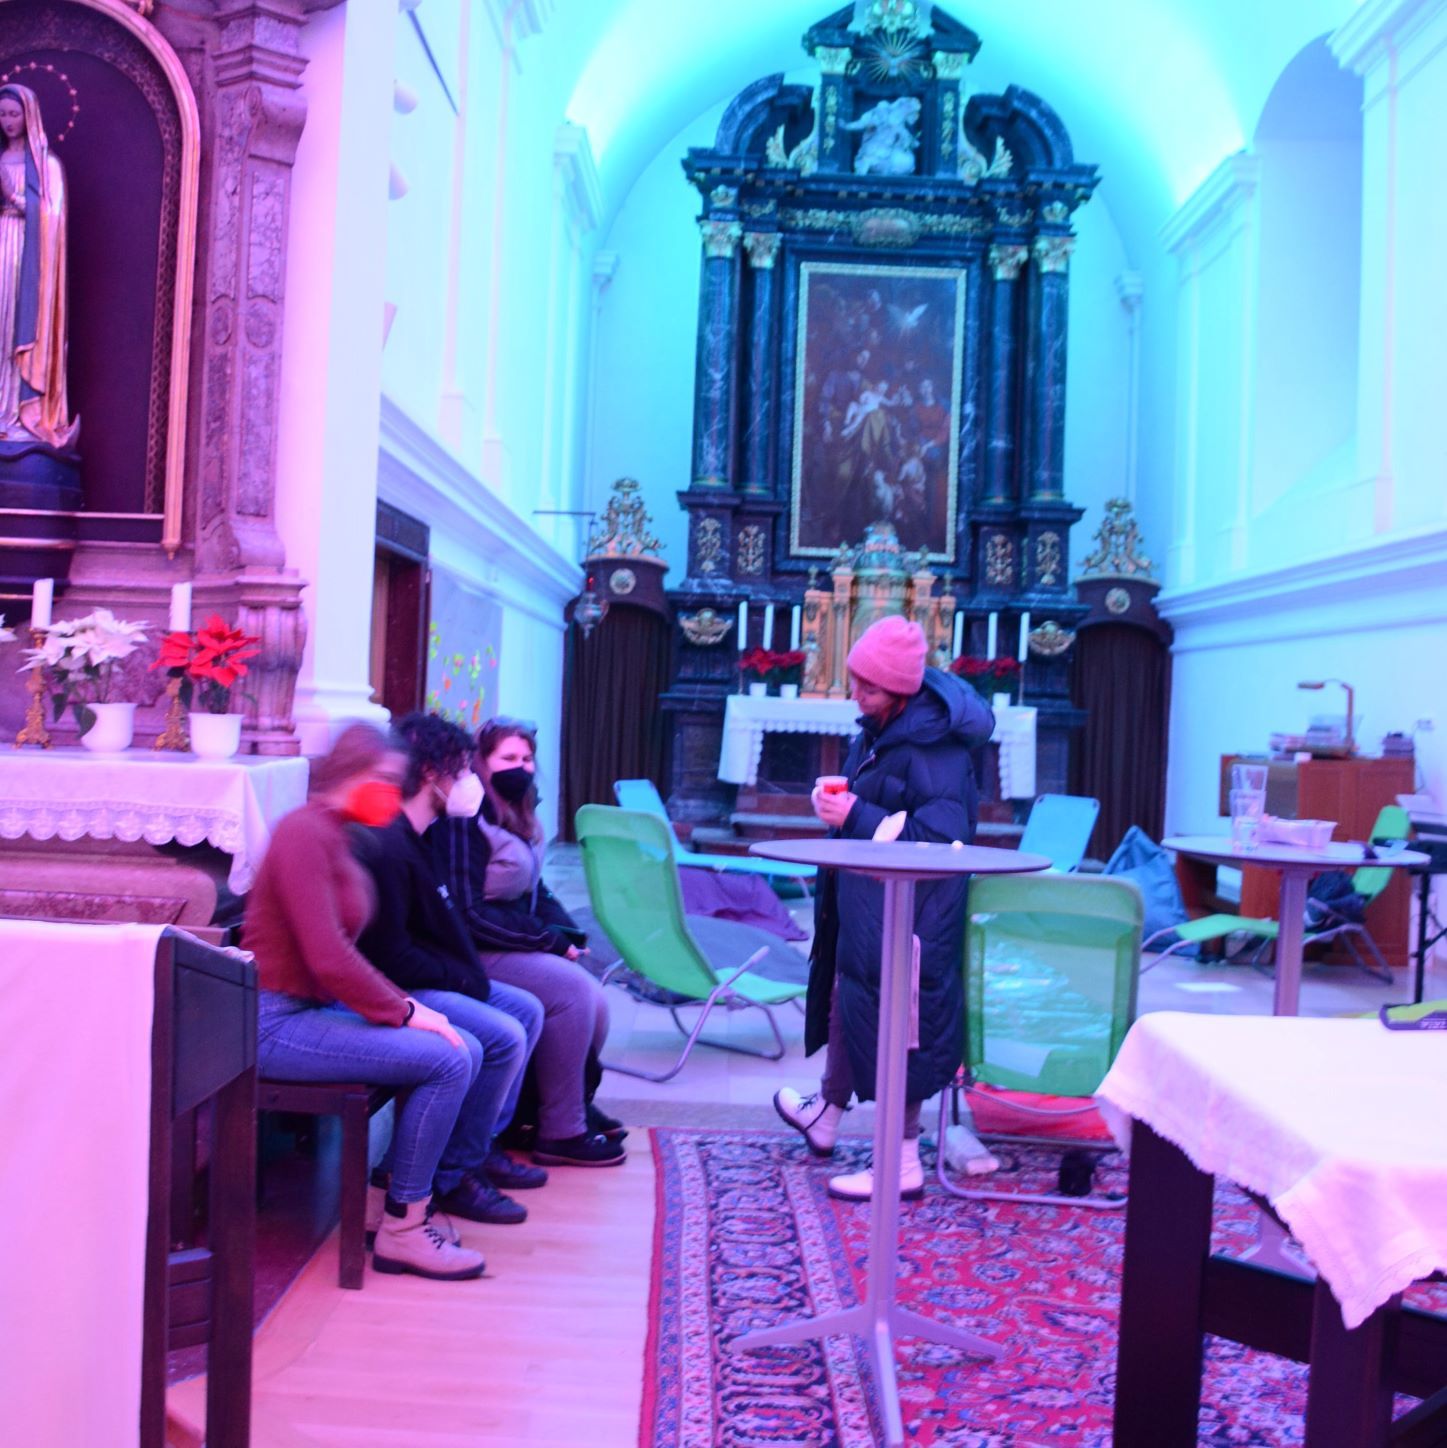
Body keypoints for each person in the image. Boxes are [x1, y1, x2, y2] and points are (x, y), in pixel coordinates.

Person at [243, 724, 493, 1281]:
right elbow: (328, 954)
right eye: (381, 778)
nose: (389, 791)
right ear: (349, 773)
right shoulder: (303, 832)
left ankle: (384, 1200)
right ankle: (406, 1229)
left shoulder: (338, 832)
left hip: (310, 1009)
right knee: (448, 1058)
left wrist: (406, 1007)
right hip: (272, 1020)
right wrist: (406, 1010)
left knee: (467, 1046)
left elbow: (342, 954)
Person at [773, 615, 994, 1200]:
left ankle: (901, 1162)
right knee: (853, 996)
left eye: (866, 687)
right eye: (854, 681)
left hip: (914, 910)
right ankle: (827, 1114)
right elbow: (880, 806)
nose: (854, 695)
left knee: (904, 1023)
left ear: (898, 690)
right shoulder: (883, 729)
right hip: (873, 898)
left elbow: (941, 841)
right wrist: (843, 807)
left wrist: (856, 816)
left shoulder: (935, 748)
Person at [351, 712, 546, 1225]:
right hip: (400, 987)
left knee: (526, 1010)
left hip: (432, 974)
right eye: (461, 770)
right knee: (501, 1035)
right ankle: (453, 1174)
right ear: (432, 773)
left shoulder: (430, 833)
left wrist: (466, 975)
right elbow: (390, 954)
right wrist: (460, 978)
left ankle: (475, 1149)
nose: (469, 782)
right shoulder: (390, 844)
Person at [432, 716, 626, 1168]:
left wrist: (564, 931)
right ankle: (562, 1131)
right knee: (572, 992)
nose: (519, 767)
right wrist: (545, 941)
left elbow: (535, 890)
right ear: (480, 762)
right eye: (507, 758)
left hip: (505, 937)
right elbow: (466, 912)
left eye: (526, 758)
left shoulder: (518, 807)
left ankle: (563, 1104)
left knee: (596, 1001)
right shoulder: (465, 817)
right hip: (469, 947)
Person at [0, 85, 77, 448]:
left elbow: (52, 217)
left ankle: (16, 414)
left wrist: (12, 196)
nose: (8, 121)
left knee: (16, 324)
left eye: (14, 114)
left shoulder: (47, 166)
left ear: (28, 116)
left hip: (25, 255)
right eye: (2, 114)